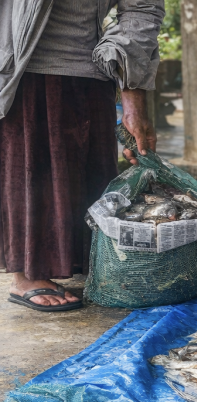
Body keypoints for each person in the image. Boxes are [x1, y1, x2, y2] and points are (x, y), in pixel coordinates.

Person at [0, 0, 164, 311]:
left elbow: (142, 8)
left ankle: (79, 265)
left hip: (91, 75)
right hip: (21, 75)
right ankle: (28, 274)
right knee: (32, 179)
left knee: (89, 186)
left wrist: (132, 94)